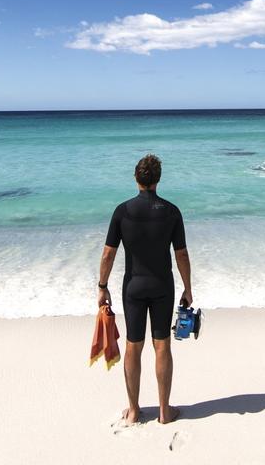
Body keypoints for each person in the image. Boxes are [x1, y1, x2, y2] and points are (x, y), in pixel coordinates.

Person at [97, 153, 192, 425]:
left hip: (133, 287)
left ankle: (134, 410)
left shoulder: (122, 211)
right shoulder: (172, 211)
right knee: (162, 346)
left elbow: (107, 255)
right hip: (162, 285)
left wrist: (102, 287)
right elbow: (181, 255)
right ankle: (164, 411)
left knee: (133, 346)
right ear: (157, 179)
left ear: (136, 178)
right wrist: (188, 288)